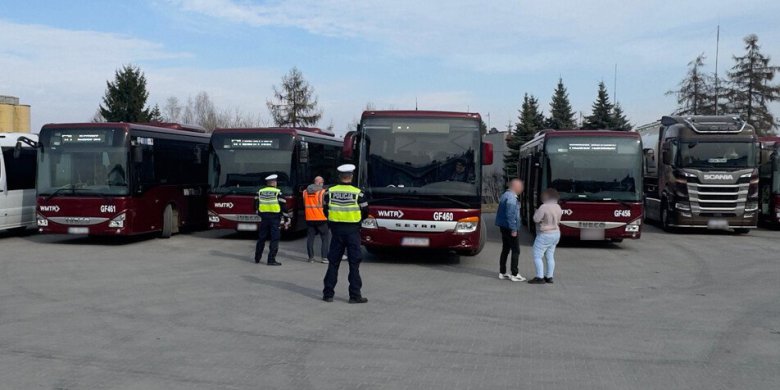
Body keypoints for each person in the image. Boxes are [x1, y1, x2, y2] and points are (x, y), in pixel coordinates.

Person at [322, 164, 369, 304]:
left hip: (336, 231)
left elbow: (325, 210)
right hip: (352, 231)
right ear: (351, 176)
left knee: (333, 263)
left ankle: (328, 294)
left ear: (340, 176)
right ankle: (354, 296)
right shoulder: (358, 193)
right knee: (354, 264)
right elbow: (365, 212)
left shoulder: (329, 192)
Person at [528, 188, 563, 284]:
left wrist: (536, 212)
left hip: (545, 234)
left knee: (537, 255)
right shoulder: (558, 207)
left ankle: (539, 277)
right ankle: (549, 276)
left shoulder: (544, 207)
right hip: (556, 233)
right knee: (550, 255)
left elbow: (536, 219)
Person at [494, 179, 526, 282]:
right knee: (516, 250)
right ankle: (514, 274)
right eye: (520, 187)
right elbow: (511, 215)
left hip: (503, 226)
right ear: (515, 187)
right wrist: (514, 229)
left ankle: (502, 272)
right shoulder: (512, 198)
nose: (521, 189)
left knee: (505, 249)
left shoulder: (505, 195)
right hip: (510, 227)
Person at [254, 174, 286, 266]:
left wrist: (260, 214)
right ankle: (271, 259)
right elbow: (283, 207)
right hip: (275, 218)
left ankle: (257, 258)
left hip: (264, 218)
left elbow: (255, 205)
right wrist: (286, 218)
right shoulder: (278, 192)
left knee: (261, 238)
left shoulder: (260, 192)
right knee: (274, 239)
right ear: (274, 182)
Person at [303, 176, 330, 264]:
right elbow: (325, 205)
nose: (323, 184)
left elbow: (304, 204)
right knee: (325, 238)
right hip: (321, 218)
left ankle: (311, 258)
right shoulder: (322, 192)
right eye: (322, 182)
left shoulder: (305, 192)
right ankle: (324, 258)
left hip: (309, 218)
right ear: (319, 183)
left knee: (310, 238)